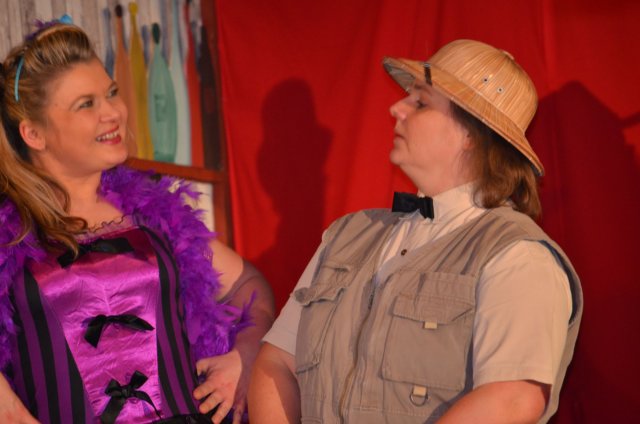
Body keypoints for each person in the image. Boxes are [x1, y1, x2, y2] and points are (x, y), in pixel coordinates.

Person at [248, 39, 583, 423]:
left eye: (421, 102)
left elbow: (512, 400)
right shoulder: (346, 235)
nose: (396, 108)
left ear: (471, 133)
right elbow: (277, 363)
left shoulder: (518, 255)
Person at [0, 17, 274, 424]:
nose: (113, 112)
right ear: (33, 134)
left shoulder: (153, 213)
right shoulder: (8, 233)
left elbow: (248, 285)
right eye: (86, 104)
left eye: (111, 93)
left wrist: (247, 354)